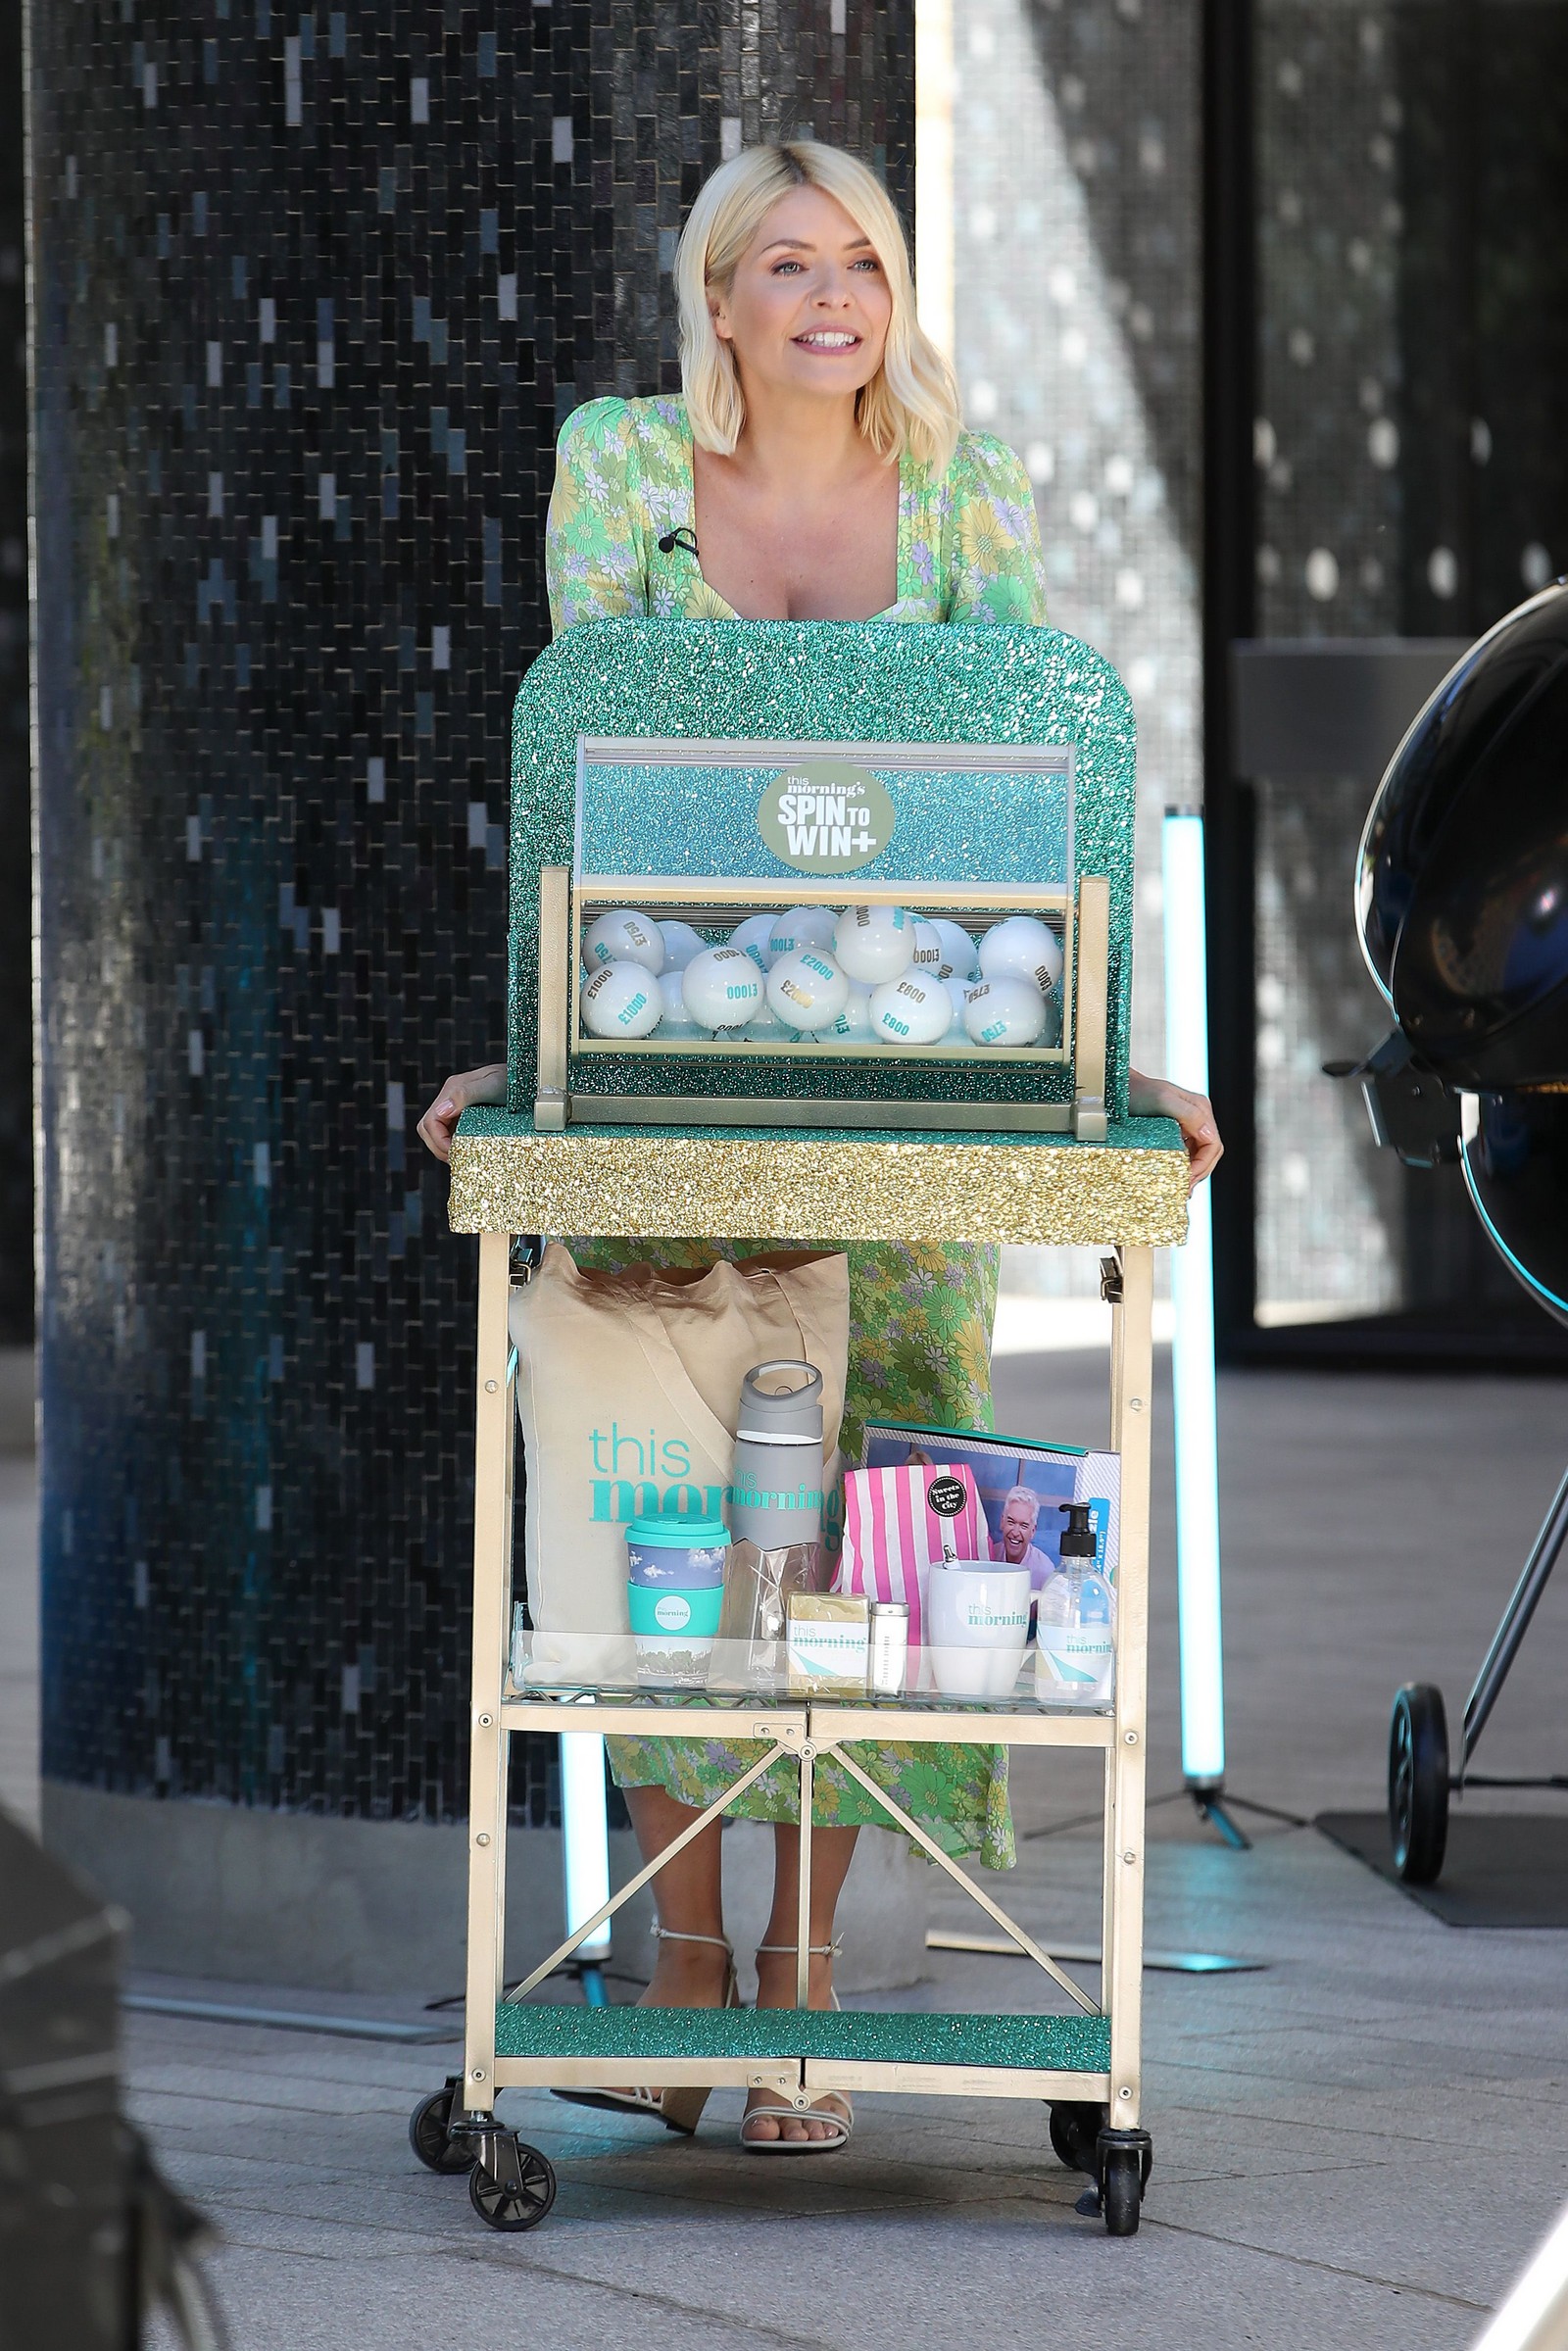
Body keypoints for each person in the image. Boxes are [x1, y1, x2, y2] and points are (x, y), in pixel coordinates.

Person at [419, 138, 1222, 2152]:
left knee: (871, 1519)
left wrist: (1111, 1058)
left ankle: (798, 1977)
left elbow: (1039, 791)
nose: (832, 292)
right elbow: (591, 780)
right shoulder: (618, 467)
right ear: (717, 297)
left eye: (861, 257)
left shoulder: (964, 484)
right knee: (664, 1518)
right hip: (669, 1081)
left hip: (918, 1099)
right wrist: (529, 1048)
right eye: (785, 261)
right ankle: (679, 1960)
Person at [991, 1485, 1054, 1592]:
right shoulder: (989, 1556)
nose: (1015, 1533)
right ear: (1002, 1522)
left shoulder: (1045, 1571)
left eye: (1024, 1526)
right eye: (1011, 1522)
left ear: (1033, 1531)